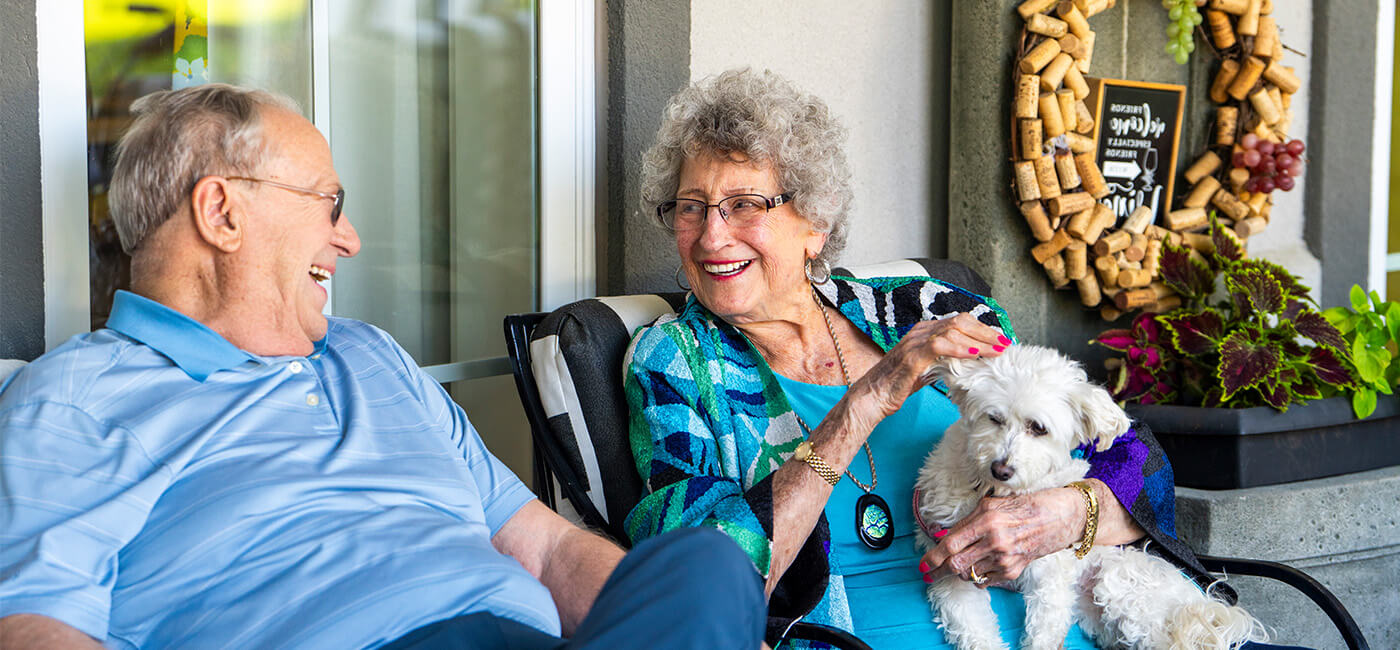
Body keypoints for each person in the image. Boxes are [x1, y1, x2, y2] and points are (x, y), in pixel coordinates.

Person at [0, 83, 765, 650]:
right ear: (222, 213)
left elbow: (547, 546)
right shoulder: (75, 397)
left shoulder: (367, 356)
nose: (351, 239)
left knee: (707, 566)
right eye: (329, 203)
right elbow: (36, 624)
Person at [621, 68, 1229, 649]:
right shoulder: (674, 366)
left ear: (814, 222)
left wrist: (1073, 512)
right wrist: (862, 406)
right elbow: (702, 572)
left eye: (745, 204)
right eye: (690, 206)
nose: (710, 236)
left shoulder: (931, 310)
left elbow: (1137, 462)